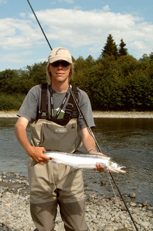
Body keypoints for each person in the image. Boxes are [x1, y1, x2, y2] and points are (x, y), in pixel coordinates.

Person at [15, 47, 105, 231]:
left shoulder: (81, 97)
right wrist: (30, 149)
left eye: (65, 63)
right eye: (56, 63)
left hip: (72, 167)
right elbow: (19, 126)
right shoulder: (36, 93)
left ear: (71, 68)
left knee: (78, 227)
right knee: (44, 228)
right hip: (40, 165)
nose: (60, 67)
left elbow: (86, 133)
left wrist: (93, 153)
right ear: (49, 68)